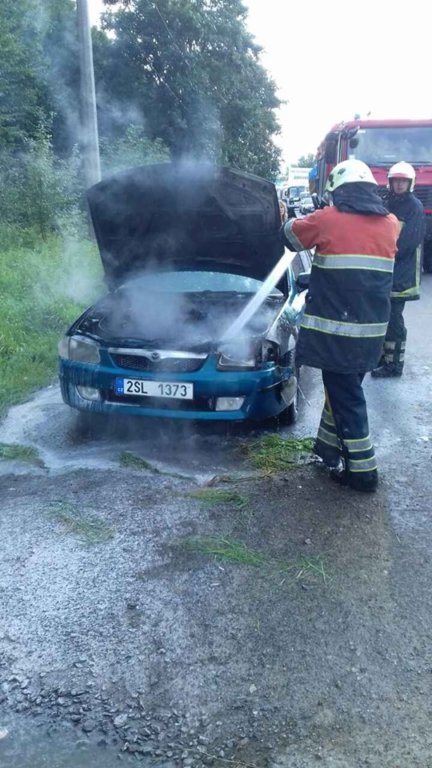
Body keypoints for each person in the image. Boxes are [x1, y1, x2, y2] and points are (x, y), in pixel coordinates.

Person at [282, 159, 399, 493]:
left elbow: (291, 236)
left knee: (346, 398)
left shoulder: (328, 219)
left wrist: (287, 215)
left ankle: (363, 472)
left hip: (338, 334)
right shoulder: (390, 223)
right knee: (341, 392)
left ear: (339, 192)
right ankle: (328, 450)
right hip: (371, 333)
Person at [371, 161, 425, 378]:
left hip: (401, 276)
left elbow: (408, 242)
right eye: (396, 181)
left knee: (394, 321)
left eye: (403, 181)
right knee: (383, 317)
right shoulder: (387, 204)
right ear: (390, 183)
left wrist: (381, 252)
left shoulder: (414, 207)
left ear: (410, 183)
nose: (399, 185)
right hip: (385, 272)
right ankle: (383, 359)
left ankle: (395, 366)